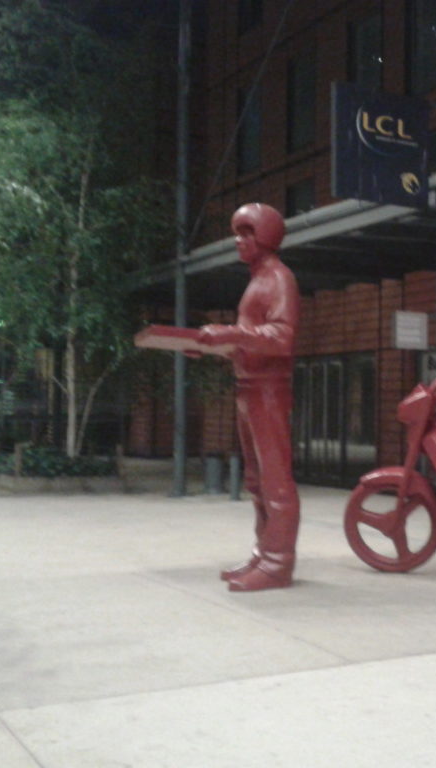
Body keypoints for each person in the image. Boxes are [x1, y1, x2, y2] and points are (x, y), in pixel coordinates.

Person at [196, 203, 300, 591]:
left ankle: (278, 562)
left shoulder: (279, 278)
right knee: (256, 480)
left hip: (268, 391)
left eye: (246, 233)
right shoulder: (258, 280)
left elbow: (282, 337)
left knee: (274, 480)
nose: (238, 241)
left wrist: (230, 334)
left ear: (267, 236)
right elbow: (252, 341)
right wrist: (211, 346)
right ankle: (263, 552)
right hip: (249, 388)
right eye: (237, 233)